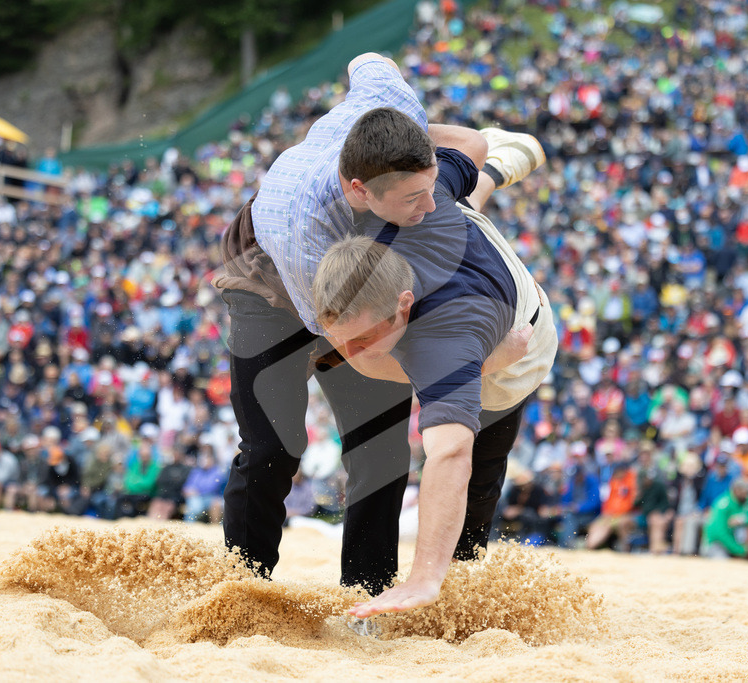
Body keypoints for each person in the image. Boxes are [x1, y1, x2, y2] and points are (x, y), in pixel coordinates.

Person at [215, 51, 542, 596]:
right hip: (269, 282)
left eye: (428, 188)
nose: (429, 206)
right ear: (359, 189)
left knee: (382, 446)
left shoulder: (390, 106)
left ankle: (367, 596)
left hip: (371, 257)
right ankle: (242, 592)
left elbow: (369, 57)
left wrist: (416, 133)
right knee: (273, 442)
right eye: (413, 197)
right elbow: (357, 347)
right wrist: (483, 362)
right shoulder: (305, 231)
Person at [311, 113, 555, 614]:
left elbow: (447, 456)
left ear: (403, 307)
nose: (348, 354)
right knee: (452, 202)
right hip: (454, 231)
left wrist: (423, 578)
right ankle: (493, 171)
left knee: (483, 464)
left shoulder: (448, 338)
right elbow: (466, 142)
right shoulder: (402, 202)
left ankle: (453, 586)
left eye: (363, 340)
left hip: (517, 345)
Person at [702, 478, 748, 559]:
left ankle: (746, 557)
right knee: (722, 565)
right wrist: (739, 550)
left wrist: (743, 520)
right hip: (718, 543)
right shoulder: (723, 504)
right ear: (737, 490)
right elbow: (720, 533)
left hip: (737, 540)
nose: (747, 494)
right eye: (745, 491)